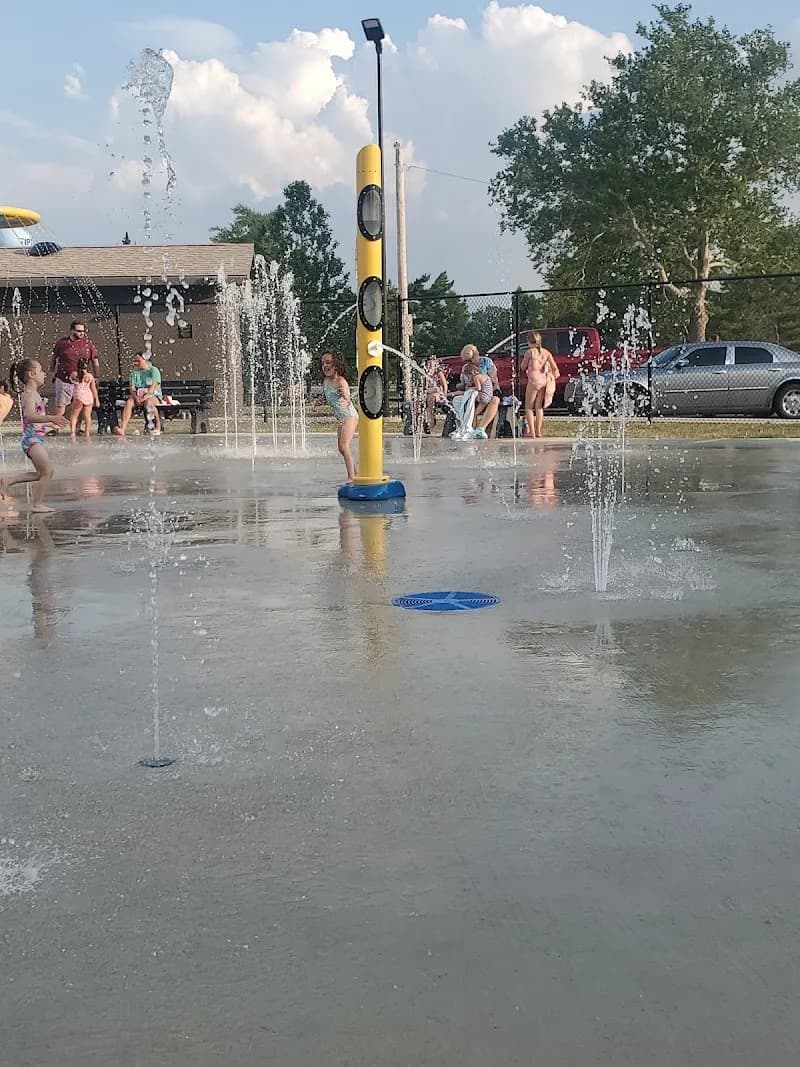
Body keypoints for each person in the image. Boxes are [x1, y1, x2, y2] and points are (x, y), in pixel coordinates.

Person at [1, 359, 67, 514]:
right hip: (31, 440)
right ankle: (37, 504)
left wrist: (50, 424)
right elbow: (30, 416)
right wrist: (52, 418)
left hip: (34, 439)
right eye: (41, 370)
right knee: (48, 471)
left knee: (40, 473)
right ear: (31, 374)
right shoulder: (29, 394)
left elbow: (34, 420)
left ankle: (8, 481)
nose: (44, 374)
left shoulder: (34, 393)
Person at [320, 350, 358, 483]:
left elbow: (347, 397)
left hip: (349, 416)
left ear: (336, 365)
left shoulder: (341, 382)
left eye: (328, 362)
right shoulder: (326, 381)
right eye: (323, 363)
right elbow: (327, 395)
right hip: (341, 419)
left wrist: (346, 400)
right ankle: (355, 473)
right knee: (341, 449)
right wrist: (320, 401)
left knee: (344, 445)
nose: (325, 365)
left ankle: (351, 477)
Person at [51, 320, 100, 419]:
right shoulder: (62, 343)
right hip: (63, 378)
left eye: (83, 331)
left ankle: (77, 428)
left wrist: (97, 376)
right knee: (61, 405)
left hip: (81, 381)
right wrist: (52, 372)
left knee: (79, 405)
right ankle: (54, 427)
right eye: (78, 331)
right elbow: (54, 358)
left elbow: (95, 361)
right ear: (72, 330)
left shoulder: (87, 344)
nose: (81, 333)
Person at [113, 352, 162, 437]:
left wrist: (145, 396)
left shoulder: (153, 370)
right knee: (129, 402)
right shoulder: (134, 372)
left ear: (145, 360)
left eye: (138, 361)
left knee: (149, 402)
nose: (136, 363)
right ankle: (122, 428)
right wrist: (136, 397)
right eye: (135, 361)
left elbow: (154, 386)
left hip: (153, 395)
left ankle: (158, 426)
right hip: (139, 395)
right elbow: (132, 388)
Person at [520, 331, 559, 438]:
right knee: (539, 407)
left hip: (533, 380)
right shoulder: (546, 353)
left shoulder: (529, 352)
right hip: (543, 380)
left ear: (529, 341)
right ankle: (538, 432)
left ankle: (531, 432)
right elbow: (555, 368)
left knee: (528, 407)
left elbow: (523, 367)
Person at [458, 344, 500, 435]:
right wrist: (461, 385)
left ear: (476, 355)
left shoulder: (487, 362)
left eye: (470, 360)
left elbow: (494, 379)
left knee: (495, 400)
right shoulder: (466, 367)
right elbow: (464, 384)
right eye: (467, 361)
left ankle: (481, 428)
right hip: (474, 393)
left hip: (489, 391)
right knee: (467, 399)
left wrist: (479, 379)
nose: (469, 362)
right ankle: (468, 429)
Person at [69, 359, 99, 439]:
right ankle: (87, 432)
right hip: (88, 396)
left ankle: (72, 432)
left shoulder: (74, 375)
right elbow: (93, 389)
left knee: (74, 415)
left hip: (79, 396)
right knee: (87, 416)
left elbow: (70, 381)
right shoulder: (90, 376)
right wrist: (97, 399)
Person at [424, 356, 448, 433]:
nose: (430, 365)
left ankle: (431, 423)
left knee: (431, 399)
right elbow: (423, 386)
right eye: (428, 363)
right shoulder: (425, 373)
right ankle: (422, 422)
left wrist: (444, 396)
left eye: (432, 364)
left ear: (435, 364)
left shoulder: (438, 373)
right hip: (427, 392)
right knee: (417, 401)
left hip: (436, 392)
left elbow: (444, 385)